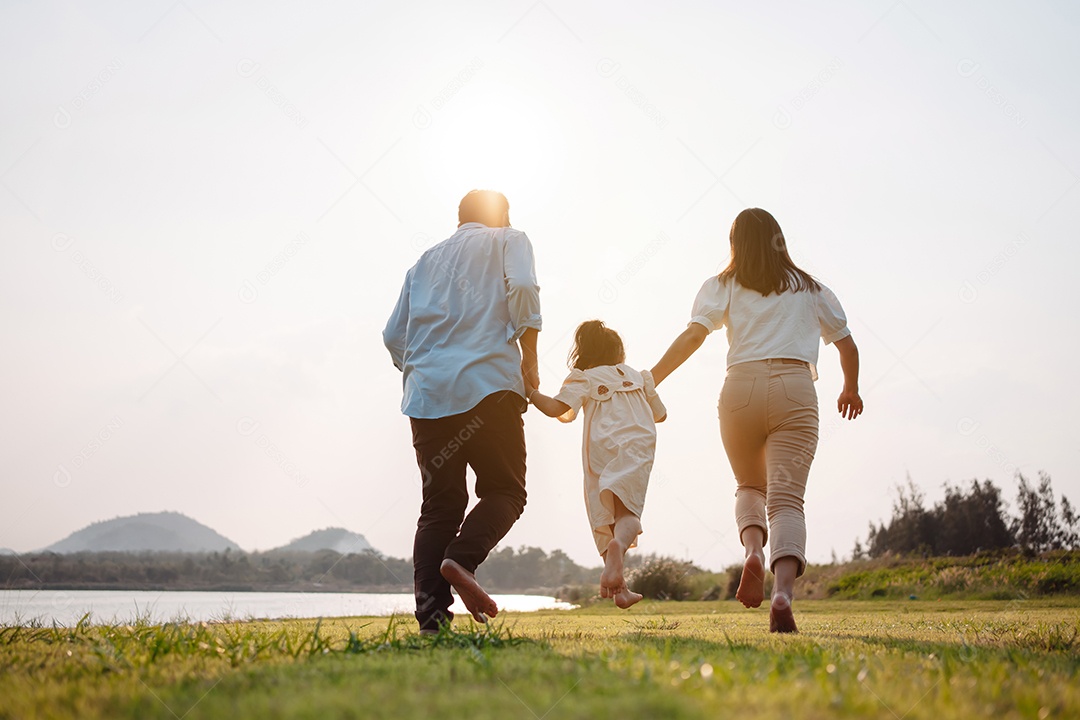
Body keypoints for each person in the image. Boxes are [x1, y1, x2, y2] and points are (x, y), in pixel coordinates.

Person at [650, 208, 863, 633]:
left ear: (735, 245)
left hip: (739, 389)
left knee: (750, 486)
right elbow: (846, 345)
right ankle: (782, 593)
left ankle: (753, 551)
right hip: (795, 388)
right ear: (779, 240)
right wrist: (849, 388)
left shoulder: (722, 286)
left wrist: (652, 378)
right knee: (787, 500)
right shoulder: (811, 288)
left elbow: (695, 335)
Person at [383, 189, 541, 633]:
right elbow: (525, 287)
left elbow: (393, 335)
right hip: (489, 386)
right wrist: (529, 355)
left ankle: (432, 619)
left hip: (427, 397)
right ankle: (461, 559)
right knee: (506, 491)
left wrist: (425, 366)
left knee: (439, 506)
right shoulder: (509, 238)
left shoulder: (422, 264)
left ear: (459, 220)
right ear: (502, 216)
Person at [528, 320, 667, 609]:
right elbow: (660, 415)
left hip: (600, 451)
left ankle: (621, 589)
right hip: (637, 448)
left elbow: (557, 409)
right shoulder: (640, 377)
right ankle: (619, 549)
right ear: (618, 352)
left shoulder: (584, 378)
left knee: (603, 514)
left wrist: (531, 394)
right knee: (628, 513)